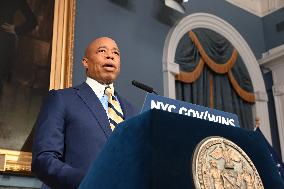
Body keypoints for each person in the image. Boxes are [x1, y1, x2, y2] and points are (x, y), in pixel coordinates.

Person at [32, 37, 137, 189]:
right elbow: (44, 159)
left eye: (116, 53)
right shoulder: (61, 99)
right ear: (85, 62)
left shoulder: (132, 110)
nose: (110, 55)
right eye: (102, 51)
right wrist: (88, 182)